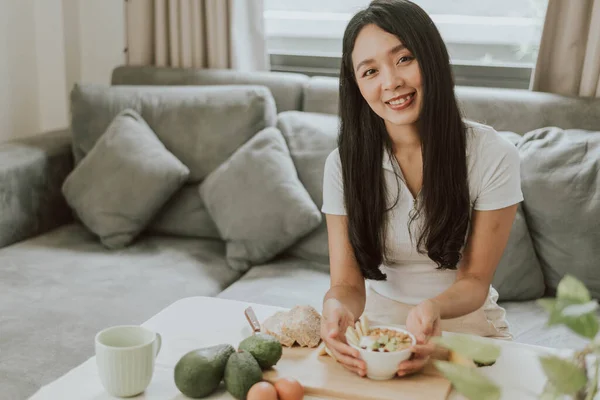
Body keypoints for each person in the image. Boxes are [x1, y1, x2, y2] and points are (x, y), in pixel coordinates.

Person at [319, 0, 524, 378]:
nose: (391, 82)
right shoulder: (342, 165)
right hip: (378, 338)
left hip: (468, 331)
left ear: (431, 58)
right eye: (369, 71)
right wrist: (335, 307)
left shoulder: (492, 153)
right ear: (357, 86)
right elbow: (347, 285)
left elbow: (475, 281)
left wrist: (433, 308)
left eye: (404, 59)